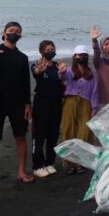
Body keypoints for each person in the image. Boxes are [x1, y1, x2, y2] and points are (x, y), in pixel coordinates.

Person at [0, 21, 33, 186]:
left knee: (21, 136)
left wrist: (28, 104)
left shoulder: (23, 58)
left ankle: (21, 171)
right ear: (3, 33)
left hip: (18, 103)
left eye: (17, 31)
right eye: (11, 30)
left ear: (20, 36)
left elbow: (26, 82)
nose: (14, 33)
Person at [30, 40, 66, 178]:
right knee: (39, 134)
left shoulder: (58, 66)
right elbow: (36, 72)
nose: (50, 51)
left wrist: (63, 75)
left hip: (56, 102)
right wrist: (38, 71)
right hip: (41, 102)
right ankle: (37, 166)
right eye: (47, 49)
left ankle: (49, 162)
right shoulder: (37, 64)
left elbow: (63, 84)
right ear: (41, 51)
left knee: (53, 133)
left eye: (52, 48)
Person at [61, 45, 99, 174]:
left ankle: (80, 162)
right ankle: (70, 163)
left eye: (83, 55)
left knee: (84, 133)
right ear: (74, 56)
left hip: (86, 103)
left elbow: (95, 91)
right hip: (70, 102)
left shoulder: (92, 74)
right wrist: (61, 72)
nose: (81, 57)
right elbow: (62, 77)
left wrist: (94, 108)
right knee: (69, 130)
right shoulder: (70, 71)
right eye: (79, 55)